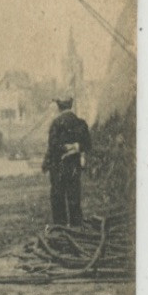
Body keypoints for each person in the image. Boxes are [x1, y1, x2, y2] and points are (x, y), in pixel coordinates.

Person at [42, 96, 92, 226]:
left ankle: (60, 227)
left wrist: (47, 162)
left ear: (59, 108)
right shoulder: (81, 123)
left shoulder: (56, 123)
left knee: (58, 197)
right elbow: (88, 145)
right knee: (74, 196)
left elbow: (52, 145)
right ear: (71, 106)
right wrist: (76, 147)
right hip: (73, 166)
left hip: (58, 166)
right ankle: (76, 227)